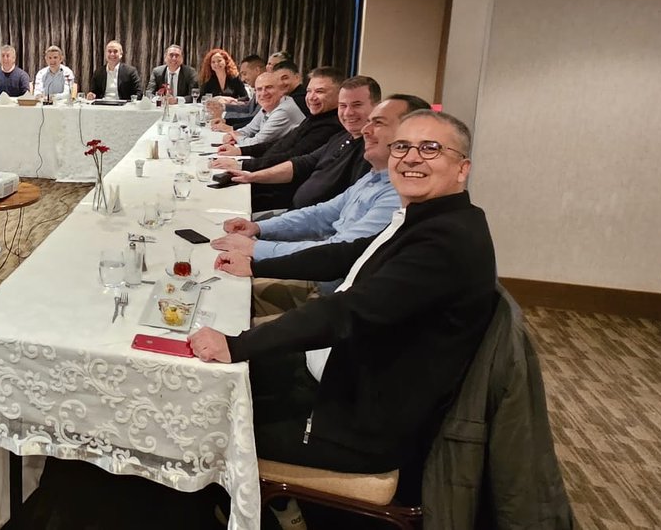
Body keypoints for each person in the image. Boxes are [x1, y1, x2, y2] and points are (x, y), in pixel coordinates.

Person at [188, 110, 495, 509]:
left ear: (462, 168)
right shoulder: (426, 219)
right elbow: (344, 254)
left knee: (201, 419)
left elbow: (347, 312)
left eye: (430, 148)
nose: (411, 157)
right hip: (338, 373)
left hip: (357, 423)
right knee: (202, 383)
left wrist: (236, 345)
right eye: (403, 146)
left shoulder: (445, 243)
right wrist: (257, 263)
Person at [213, 95, 426, 274]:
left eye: (378, 123)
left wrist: (257, 249)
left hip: (324, 281)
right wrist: (258, 228)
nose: (366, 130)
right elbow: (321, 214)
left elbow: (338, 253)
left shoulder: (398, 195)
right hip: (313, 257)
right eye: (343, 105)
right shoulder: (373, 174)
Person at [228, 75, 381, 212]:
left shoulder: (371, 151)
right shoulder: (340, 135)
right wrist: (250, 175)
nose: (348, 112)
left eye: (357, 105)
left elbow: (341, 210)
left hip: (303, 218)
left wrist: (245, 166)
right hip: (295, 213)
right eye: (343, 105)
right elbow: (303, 162)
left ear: (377, 106)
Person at [211, 66, 346, 175]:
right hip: (264, 168)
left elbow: (290, 158)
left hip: (274, 182)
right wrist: (240, 151)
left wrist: (242, 164)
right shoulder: (316, 117)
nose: (311, 97)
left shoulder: (329, 126)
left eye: (320, 91)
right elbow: (279, 143)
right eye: (309, 91)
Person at [209, 71, 303, 149]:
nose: (263, 93)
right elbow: (250, 129)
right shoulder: (270, 105)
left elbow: (257, 143)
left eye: (269, 87)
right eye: (259, 89)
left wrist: (235, 136)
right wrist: (233, 134)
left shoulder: (284, 110)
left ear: (281, 91)